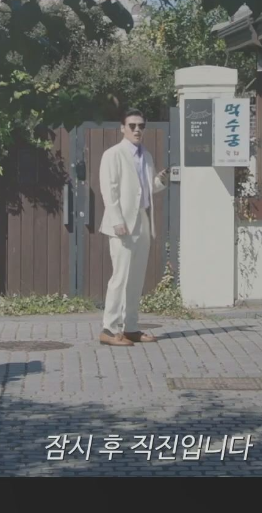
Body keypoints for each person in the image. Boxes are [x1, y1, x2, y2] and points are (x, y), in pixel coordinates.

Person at [98, 109, 169, 346]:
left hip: (142, 221)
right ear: (122, 128)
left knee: (136, 278)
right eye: (132, 126)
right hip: (122, 223)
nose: (137, 130)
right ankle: (109, 329)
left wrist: (161, 180)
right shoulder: (113, 154)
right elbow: (109, 190)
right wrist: (117, 220)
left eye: (141, 126)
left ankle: (130, 327)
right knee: (120, 277)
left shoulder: (146, 155)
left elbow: (148, 188)